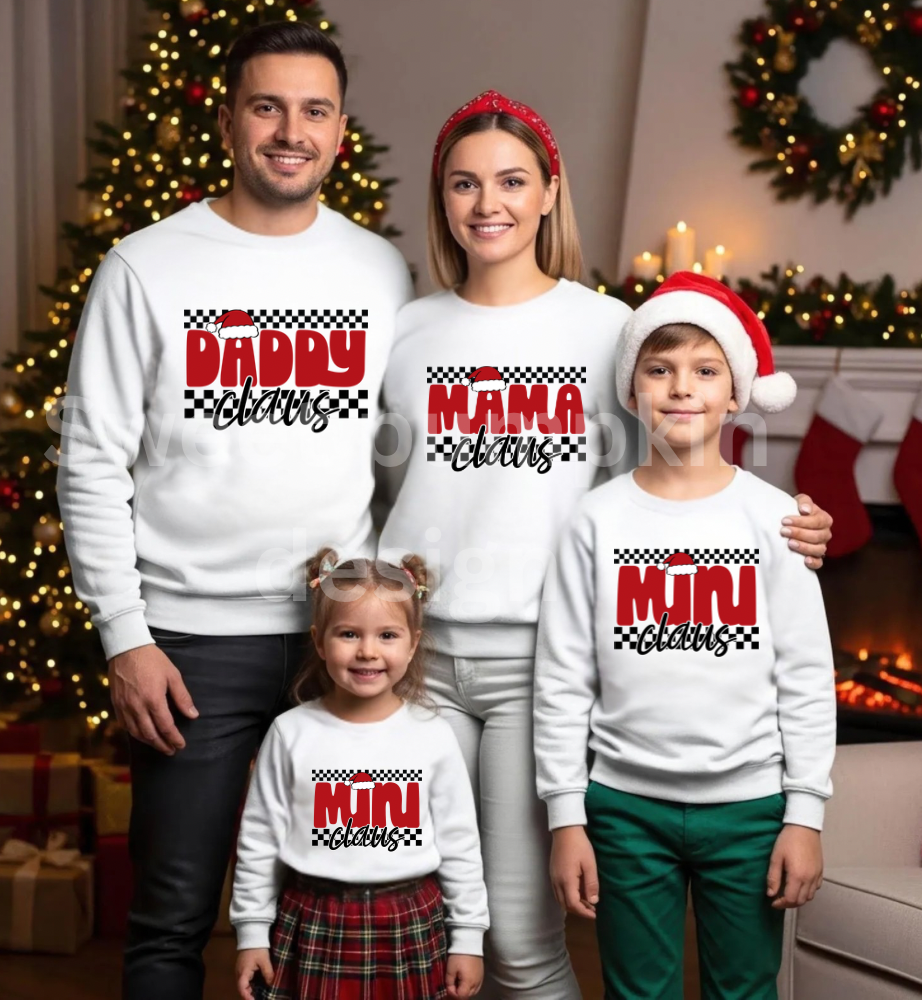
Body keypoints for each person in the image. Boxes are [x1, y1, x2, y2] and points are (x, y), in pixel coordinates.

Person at [377, 91, 834, 999]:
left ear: (550, 193)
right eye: (462, 184)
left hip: (535, 659)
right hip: (412, 659)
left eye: (511, 181)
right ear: (442, 198)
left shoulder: (606, 330)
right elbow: (377, 486)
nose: (486, 203)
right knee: (414, 910)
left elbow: (669, 478)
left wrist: (786, 523)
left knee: (514, 933)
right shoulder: (405, 331)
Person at [56, 22, 413, 1000]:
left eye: (312, 109)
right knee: (172, 917)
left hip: (338, 636)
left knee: (339, 911)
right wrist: (126, 638)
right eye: (266, 106)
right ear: (226, 121)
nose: (289, 130)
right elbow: (89, 459)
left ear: (340, 130)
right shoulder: (145, 266)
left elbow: (409, 458)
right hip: (186, 646)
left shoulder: (381, 272)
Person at [534, 272, 838, 1000]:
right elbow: (562, 678)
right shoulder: (595, 521)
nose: (681, 387)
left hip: (751, 811)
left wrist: (806, 813)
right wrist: (565, 814)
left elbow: (804, 674)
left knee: (745, 988)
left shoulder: (776, 521)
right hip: (623, 810)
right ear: (632, 388)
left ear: (736, 395)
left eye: (706, 371)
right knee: (639, 990)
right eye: (660, 369)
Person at [232, 548, 488, 1000]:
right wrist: (251, 931)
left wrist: (468, 938)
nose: (368, 651)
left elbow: (459, 844)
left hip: (408, 921)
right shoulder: (290, 732)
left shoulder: (432, 735)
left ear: (412, 643)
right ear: (318, 640)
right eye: (348, 633)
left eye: (387, 635)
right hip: (313, 919)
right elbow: (260, 839)